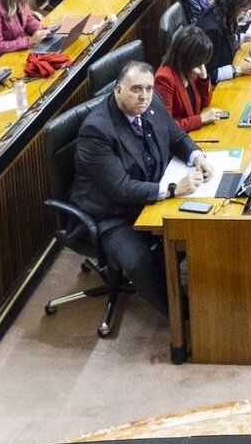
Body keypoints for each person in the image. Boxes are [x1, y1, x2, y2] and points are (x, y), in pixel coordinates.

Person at [71, 60, 212, 316]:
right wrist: (171, 189)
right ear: (118, 90)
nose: (144, 96)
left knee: (202, 222)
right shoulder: (97, 131)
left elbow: (177, 136)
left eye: (148, 88)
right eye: (136, 89)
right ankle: (183, 318)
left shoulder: (152, 102)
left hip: (149, 193)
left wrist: (197, 157)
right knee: (140, 262)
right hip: (111, 215)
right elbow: (121, 189)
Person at [155, 25, 229, 133]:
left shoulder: (189, 68)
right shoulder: (164, 78)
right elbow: (167, 127)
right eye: (199, 61)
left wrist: (203, 78)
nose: (201, 64)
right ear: (187, 57)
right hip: (180, 140)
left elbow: (205, 103)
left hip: (195, 132)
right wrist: (201, 119)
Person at [199, 0, 251, 82]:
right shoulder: (212, 31)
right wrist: (239, 70)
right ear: (235, 7)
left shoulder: (222, 12)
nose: (245, 14)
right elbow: (210, 74)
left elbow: (227, 38)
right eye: (244, 10)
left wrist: (249, 37)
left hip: (230, 63)